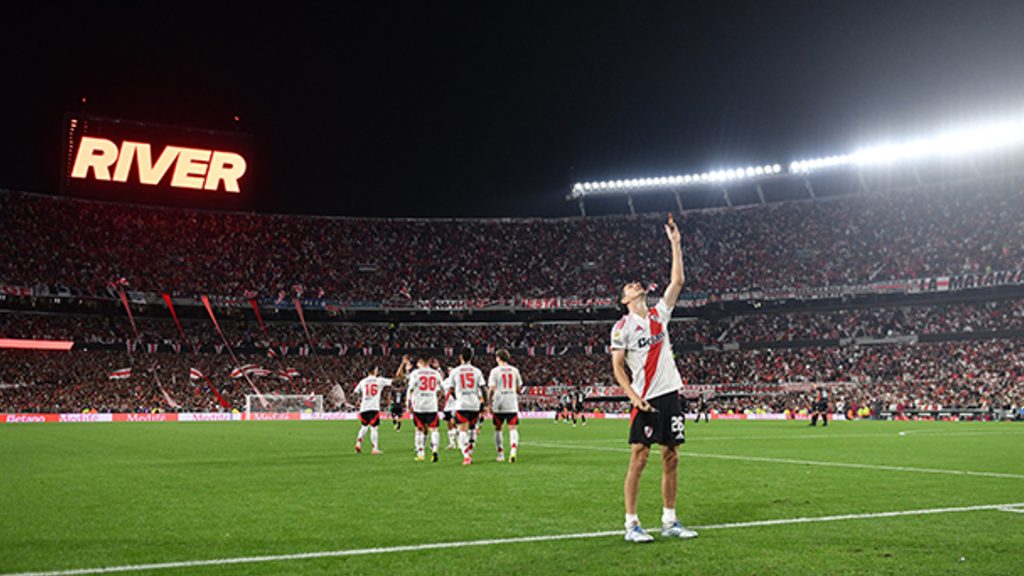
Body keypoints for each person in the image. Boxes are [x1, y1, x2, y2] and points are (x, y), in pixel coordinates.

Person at [610, 213, 698, 543]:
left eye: (637, 283)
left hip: (670, 394)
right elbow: (618, 367)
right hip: (644, 398)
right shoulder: (622, 327)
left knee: (671, 455)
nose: (636, 285)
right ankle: (631, 523)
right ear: (625, 299)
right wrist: (633, 397)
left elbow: (677, 282)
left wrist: (675, 243)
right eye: (630, 286)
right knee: (639, 455)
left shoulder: (660, 315)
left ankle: (669, 520)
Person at [447, 347, 487, 466]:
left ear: (460, 357)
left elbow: (451, 389)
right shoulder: (477, 371)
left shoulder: (455, 371)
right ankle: (470, 450)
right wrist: (485, 404)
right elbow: (483, 389)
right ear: (471, 357)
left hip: (462, 403)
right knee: (472, 428)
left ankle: (466, 456)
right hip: (474, 403)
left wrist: (457, 397)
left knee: (462, 430)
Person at [401, 356, 444, 462]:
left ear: (420, 361)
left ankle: (421, 453)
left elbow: (410, 389)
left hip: (419, 406)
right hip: (432, 406)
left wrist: (408, 402)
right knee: (434, 429)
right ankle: (434, 450)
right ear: (429, 361)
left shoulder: (416, 373)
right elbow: (442, 389)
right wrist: (437, 398)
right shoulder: (435, 373)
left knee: (419, 430)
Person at [487, 348, 523, 463]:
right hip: (511, 402)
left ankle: (501, 454)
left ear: (498, 358)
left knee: (498, 429)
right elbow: (519, 389)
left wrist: (489, 402)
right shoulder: (515, 370)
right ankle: (513, 450)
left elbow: (491, 388)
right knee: (512, 428)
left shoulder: (495, 371)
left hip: (499, 403)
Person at [353, 366, 392, 455]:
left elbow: (355, 393)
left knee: (364, 427)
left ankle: (358, 443)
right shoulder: (379, 380)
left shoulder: (363, 381)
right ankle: (375, 448)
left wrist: (357, 402)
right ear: (375, 370)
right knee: (374, 428)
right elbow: (393, 382)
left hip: (363, 408)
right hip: (373, 407)